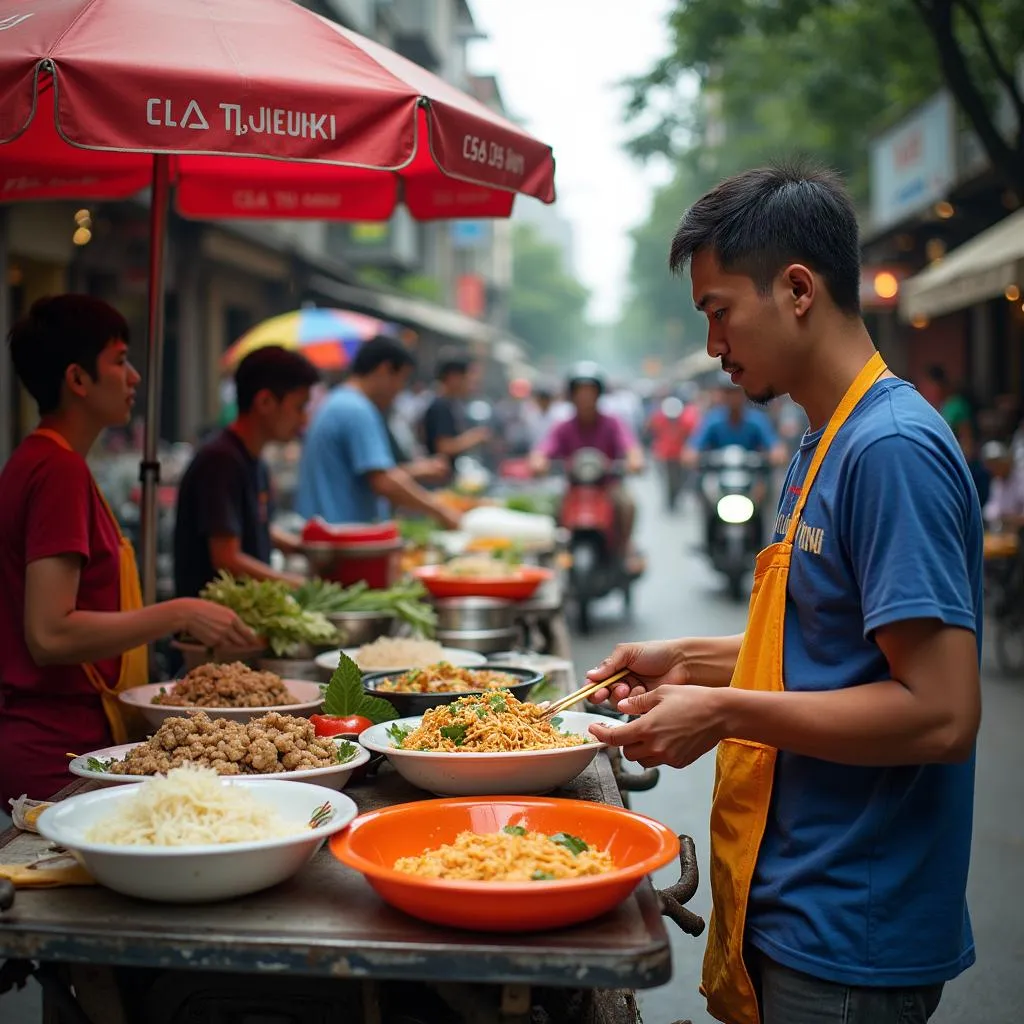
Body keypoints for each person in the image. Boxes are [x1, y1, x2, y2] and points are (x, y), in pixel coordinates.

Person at [586, 164, 982, 1024]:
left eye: (719, 311)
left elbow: (943, 715)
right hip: (795, 894)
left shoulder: (891, 450)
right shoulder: (820, 441)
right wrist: (686, 661)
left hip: (852, 929)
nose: (714, 343)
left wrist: (724, 713)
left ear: (797, 289)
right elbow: (831, 641)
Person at [0, 295, 255, 804]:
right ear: (77, 379)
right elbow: (49, 634)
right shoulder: (57, 470)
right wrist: (179, 611)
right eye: (119, 361)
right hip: (54, 746)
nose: (134, 377)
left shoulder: (46, 460)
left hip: (71, 735)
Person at [173, 347, 321, 598]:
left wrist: (300, 547)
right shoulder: (220, 461)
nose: (304, 420)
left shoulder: (253, 460)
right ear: (264, 402)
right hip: (213, 628)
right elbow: (227, 558)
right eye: (299, 407)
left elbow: (253, 524)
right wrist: (294, 584)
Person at [295, 336, 461, 529]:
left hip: (329, 531)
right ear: (384, 369)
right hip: (341, 536)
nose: (399, 390)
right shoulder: (357, 409)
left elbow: (366, 473)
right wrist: (440, 511)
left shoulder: (339, 401)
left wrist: (417, 471)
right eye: (402, 379)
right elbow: (382, 482)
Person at [530, 362, 645, 555]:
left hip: (608, 486)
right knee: (548, 510)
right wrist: (538, 462)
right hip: (573, 487)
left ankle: (625, 548)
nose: (585, 396)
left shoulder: (612, 423)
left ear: (598, 393)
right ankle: (555, 555)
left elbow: (631, 447)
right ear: (571, 395)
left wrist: (635, 460)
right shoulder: (563, 426)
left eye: (590, 391)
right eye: (580, 391)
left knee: (628, 504)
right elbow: (543, 450)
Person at [684, 374, 787, 466]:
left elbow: (776, 446)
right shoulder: (712, 420)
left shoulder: (757, 420)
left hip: (751, 477)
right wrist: (692, 455)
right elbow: (692, 448)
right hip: (718, 477)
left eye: (736, 392)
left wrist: (776, 454)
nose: (732, 397)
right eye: (728, 392)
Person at [421, 350, 491, 461]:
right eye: (467, 378)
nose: (470, 384)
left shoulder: (449, 403)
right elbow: (444, 447)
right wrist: (475, 437)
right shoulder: (440, 406)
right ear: (453, 377)